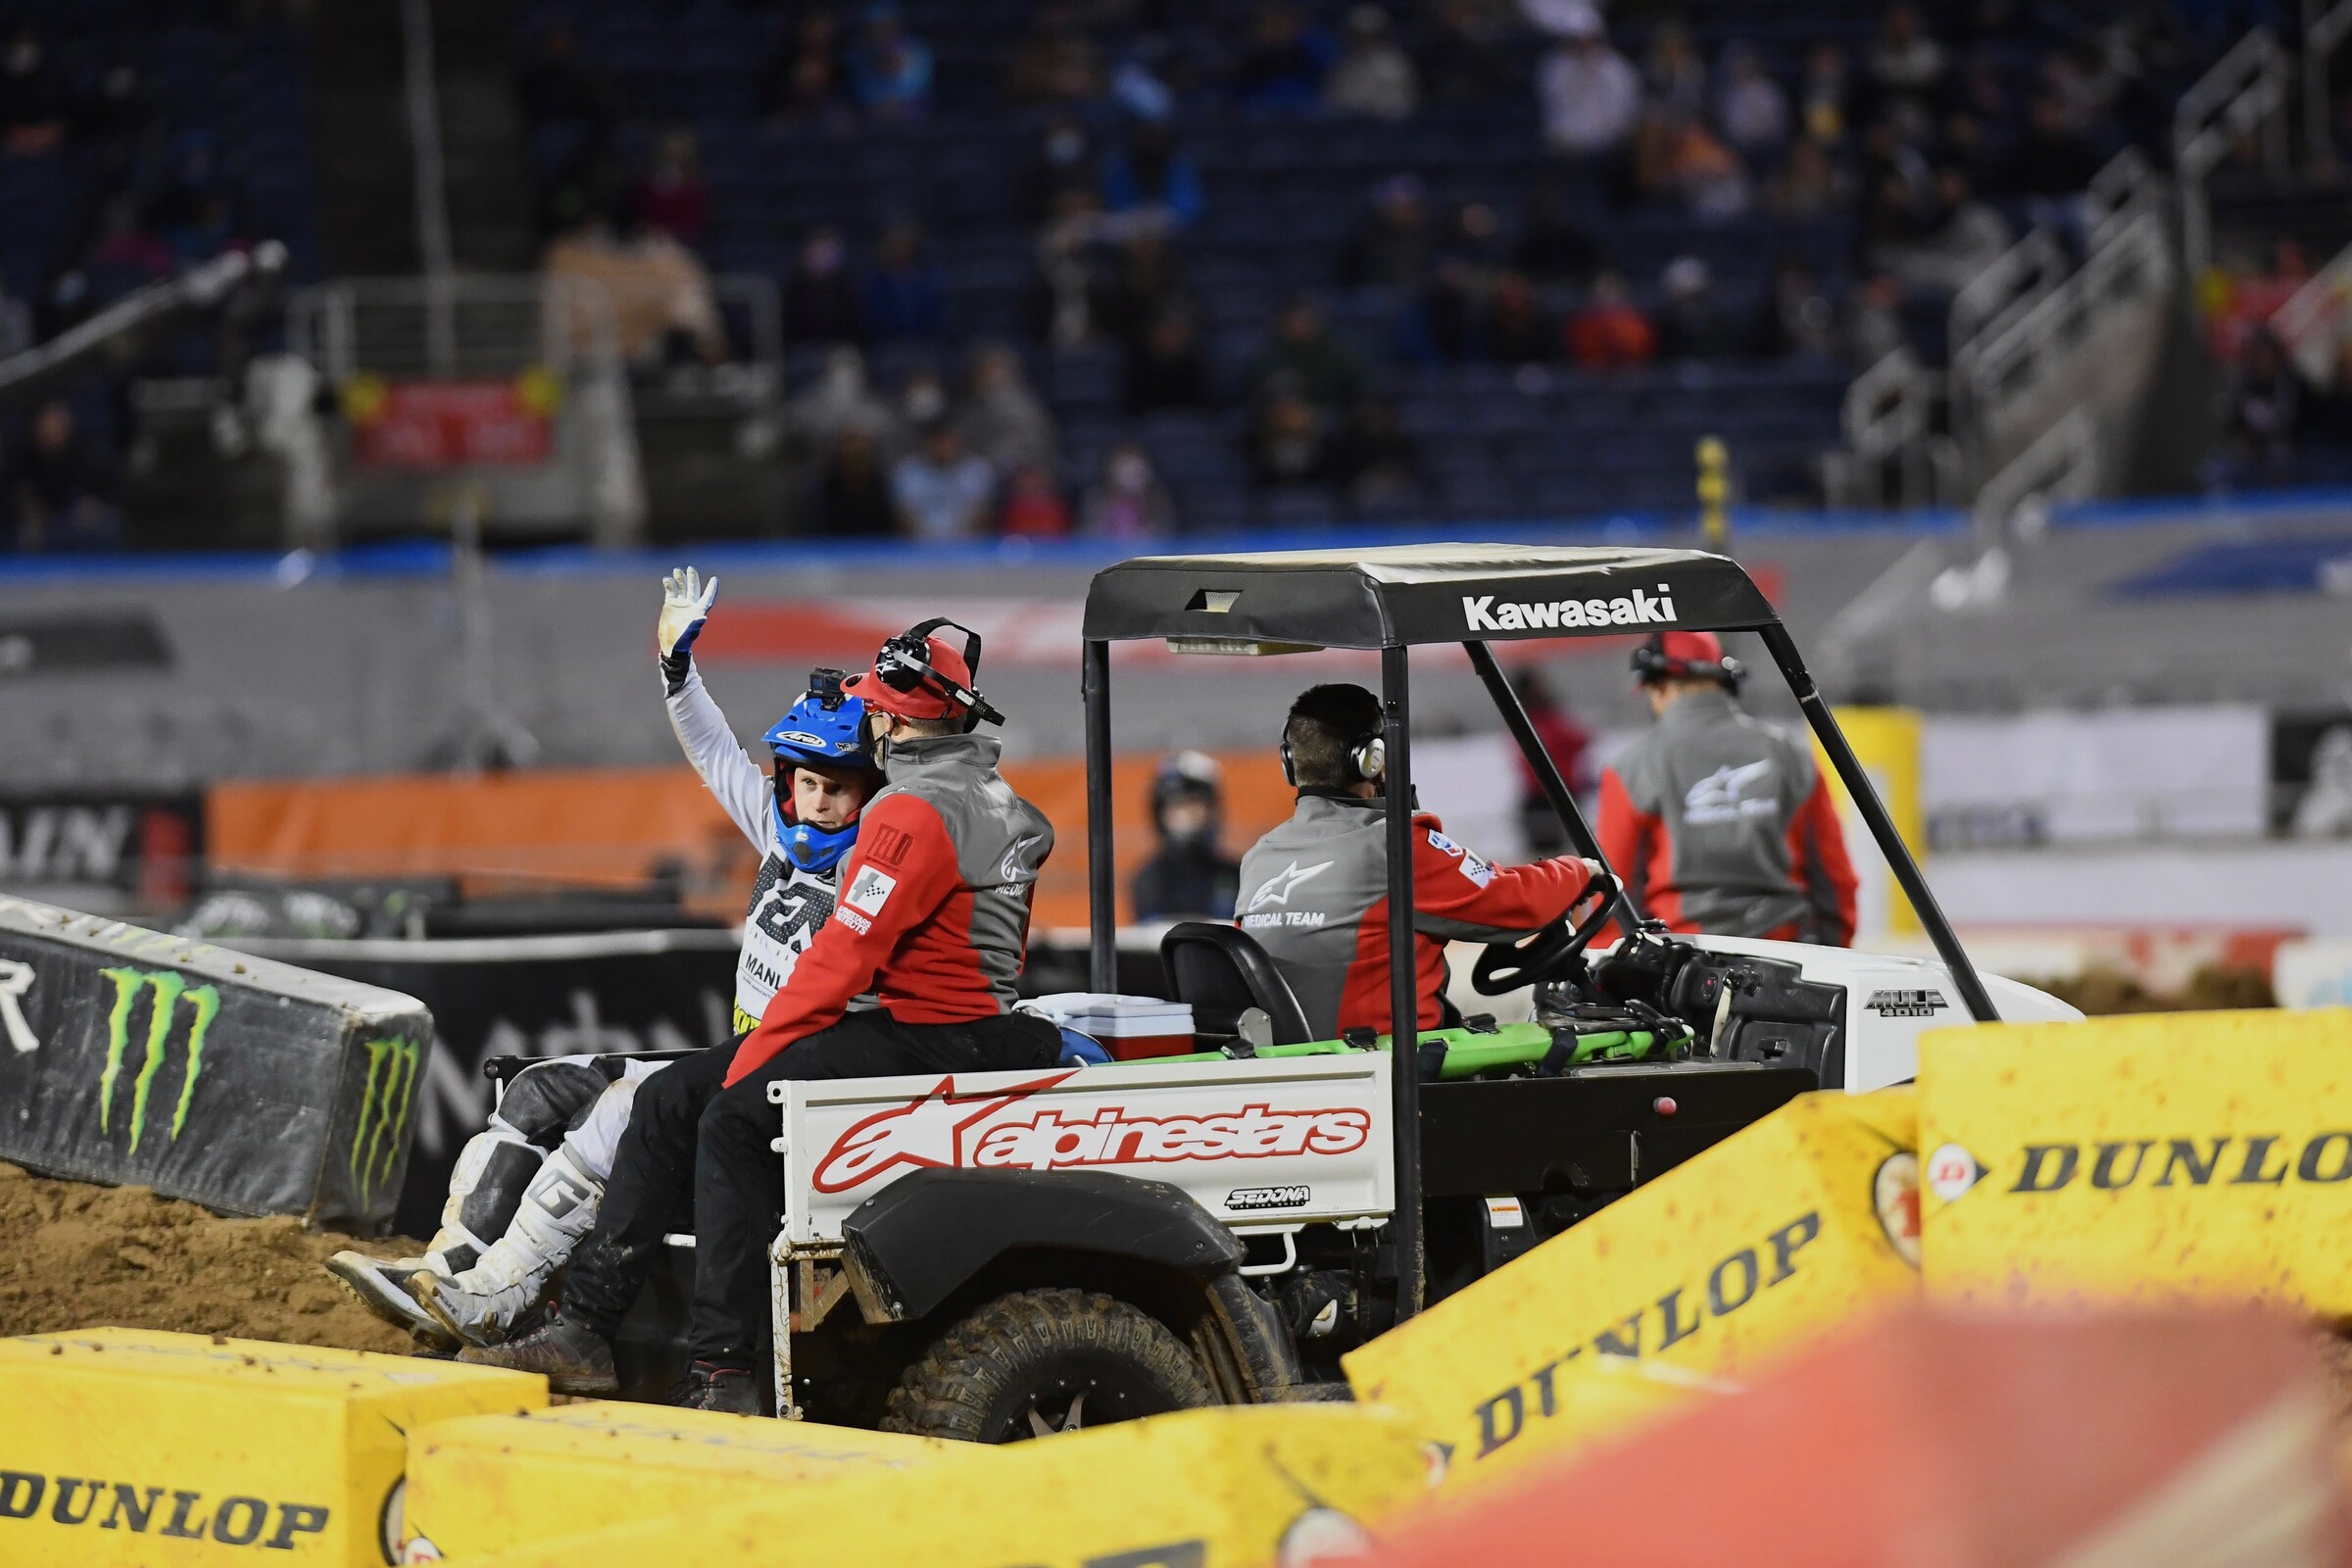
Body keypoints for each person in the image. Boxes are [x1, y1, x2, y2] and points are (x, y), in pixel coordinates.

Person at [461, 622, 1059, 1413]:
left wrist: (753, 1059)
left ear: (889, 719)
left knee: (732, 1119)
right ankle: (584, 1332)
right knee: (671, 1095)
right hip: (963, 1027)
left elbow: (842, 961)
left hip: (926, 1034)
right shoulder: (1003, 802)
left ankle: (723, 1371)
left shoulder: (910, 812)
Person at [324, 571, 886, 1347]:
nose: (819, 805)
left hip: (792, 1089)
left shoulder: (878, 872)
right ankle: (446, 1269)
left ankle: (497, 1297)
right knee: (534, 1089)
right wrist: (676, 668)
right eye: (808, 783)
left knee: (618, 1112)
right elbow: (713, 752)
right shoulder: (773, 827)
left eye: (839, 790)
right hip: (739, 1058)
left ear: (871, 795)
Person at [1236, 683, 1604, 1039]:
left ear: (1289, 762)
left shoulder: (1259, 857)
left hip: (1296, 1071)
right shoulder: (1394, 845)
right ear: (1372, 759)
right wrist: (1578, 871)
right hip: (1390, 1070)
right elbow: (1515, 901)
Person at [1596, 631, 1856, 946]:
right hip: (1788, 950)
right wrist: (1834, 952)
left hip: (1681, 964)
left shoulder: (1631, 767)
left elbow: (1613, 891)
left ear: (1660, 687)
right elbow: (1833, 876)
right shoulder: (1790, 754)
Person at [1131, 752, 1241, 920]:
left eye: (1193, 802)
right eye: (1176, 805)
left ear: (1210, 809)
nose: (1185, 814)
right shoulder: (1148, 879)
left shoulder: (1235, 874)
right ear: (1160, 813)